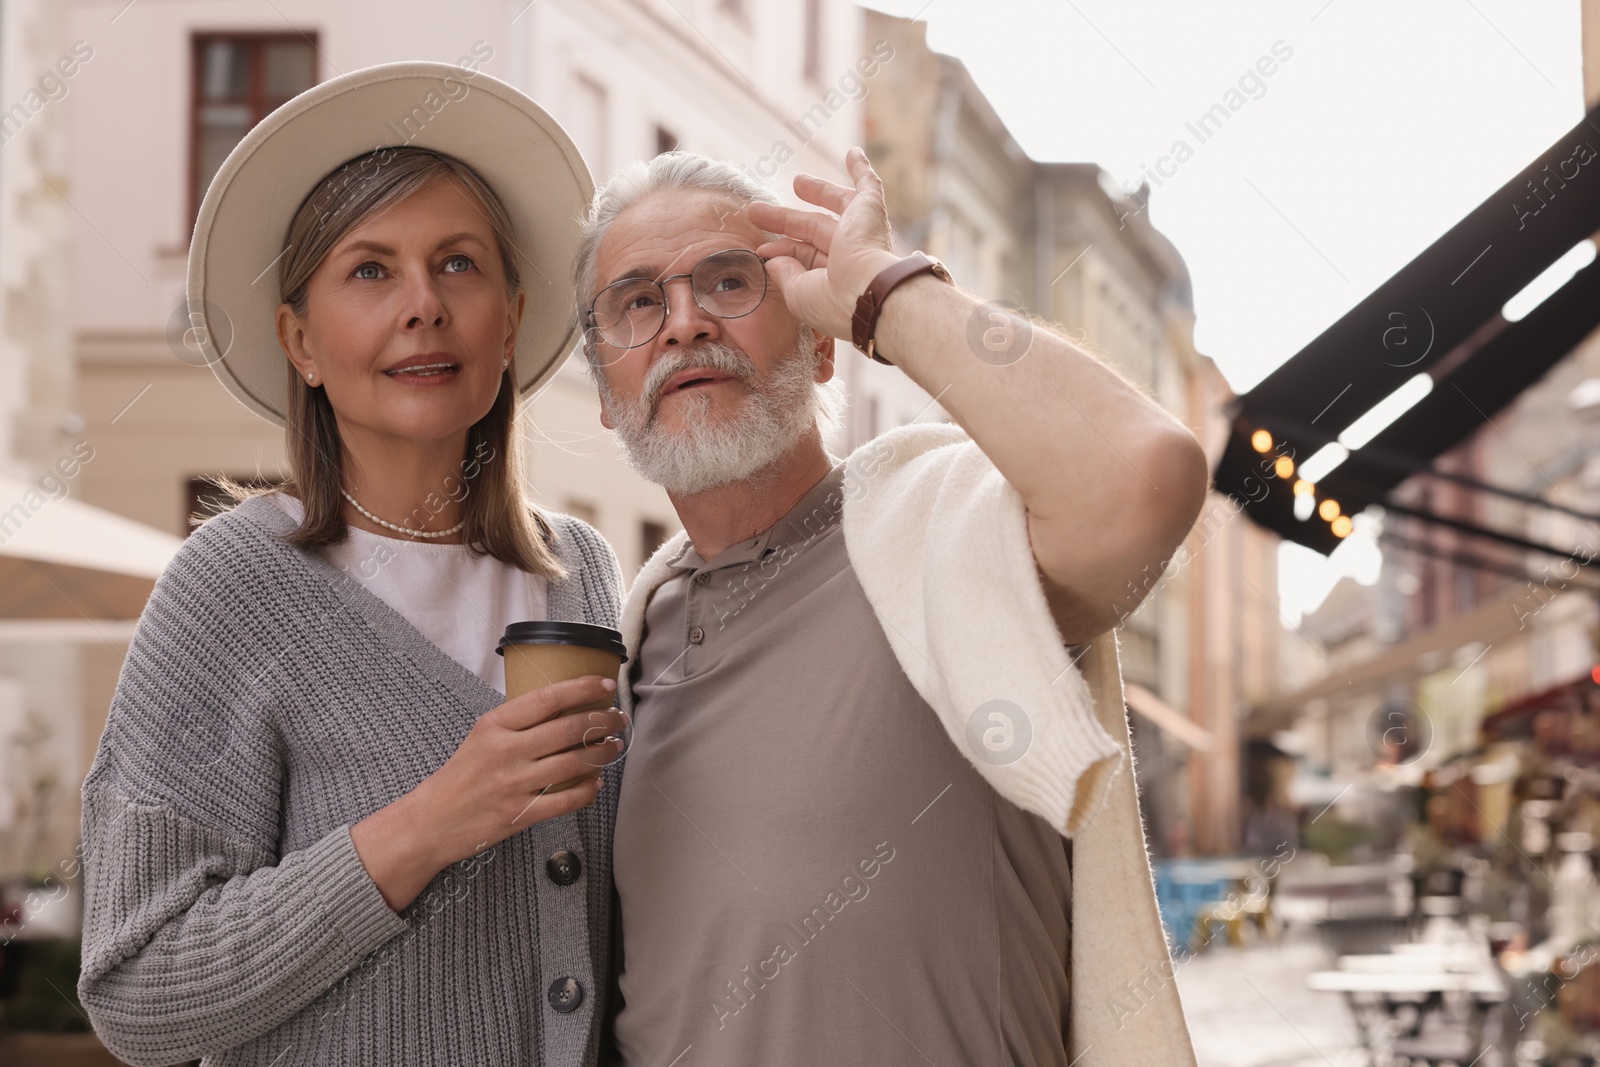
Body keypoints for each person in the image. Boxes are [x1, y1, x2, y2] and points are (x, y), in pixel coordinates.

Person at [575, 149, 1208, 1064]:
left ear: (823, 341)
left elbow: (1148, 476)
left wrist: (887, 291)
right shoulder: (631, 647)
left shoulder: (951, 541)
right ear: (605, 391)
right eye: (637, 301)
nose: (683, 324)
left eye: (727, 281)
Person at [77, 62, 628, 1066]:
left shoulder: (581, 572)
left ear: (507, 319)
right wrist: (429, 822)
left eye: (457, 264)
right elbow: (137, 986)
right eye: (370, 270)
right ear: (302, 341)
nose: (422, 304)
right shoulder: (231, 588)